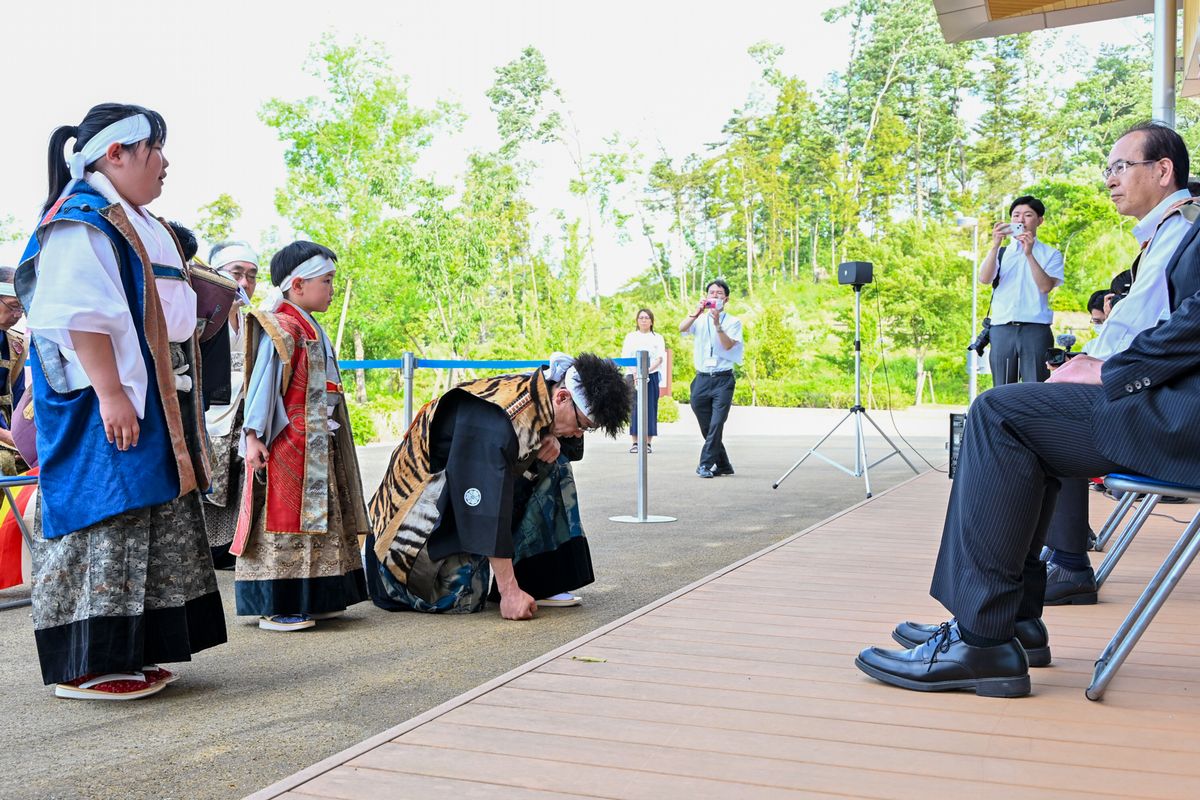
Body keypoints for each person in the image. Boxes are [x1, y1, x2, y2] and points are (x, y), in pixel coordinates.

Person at [859, 121, 1200, 697]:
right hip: (1163, 404)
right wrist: (1089, 362)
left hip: (1176, 418)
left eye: (1121, 166)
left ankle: (984, 640)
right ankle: (1013, 623)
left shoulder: (1194, 227)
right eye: (1107, 169)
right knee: (1016, 415)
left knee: (998, 413)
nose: (1109, 179)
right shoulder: (1170, 232)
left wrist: (1108, 370)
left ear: (1162, 170)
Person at [17, 103, 226, 700]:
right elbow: (81, 315)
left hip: (147, 395)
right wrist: (111, 394)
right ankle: (88, 663)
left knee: (150, 514)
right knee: (107, 514)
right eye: (155, 150)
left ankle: (136, 650)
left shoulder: (130, 217)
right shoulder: (82, 217)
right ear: (116, 154)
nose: (165, 164)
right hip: (100, 401)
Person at [364, 353, 631, 619]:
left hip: (453, 501)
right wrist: (509, 591)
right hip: (403, 544)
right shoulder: (496, 421)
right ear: (562, 397)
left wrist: (549, 435)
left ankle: (539, 580)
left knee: (555, 465)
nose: (578, 433)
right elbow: (483, 506)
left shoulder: (538, 397)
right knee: (464, 596)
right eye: (582, 425)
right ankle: (380, 574)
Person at [232, 240, 370, 632]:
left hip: (316, 442)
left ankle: (318, 594)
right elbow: (263, 384)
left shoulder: (308, 324)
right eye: (326, 281)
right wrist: (254, 434)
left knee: (319, 520)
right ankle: (278, 603)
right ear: (297, 285)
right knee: (284, 520)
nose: (330, 289)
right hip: (287, 442)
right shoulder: (282, 326)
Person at [202, 241, 259, 569]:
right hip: (213, 414)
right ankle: (208, 549)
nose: (245, 282)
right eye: (237, 273)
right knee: (211, 481)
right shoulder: (204, 318)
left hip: (242, 411)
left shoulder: (251, 322)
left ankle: (231, 546)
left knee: (238, 480)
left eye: (252, 275)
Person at [976, 196, 1065, 385]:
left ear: (1040, 220)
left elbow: (1045, 287)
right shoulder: (1001, 252)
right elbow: (984, 279)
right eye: (1016, 215)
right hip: (1001, 329)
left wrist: (1029, 253)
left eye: (1027, 215)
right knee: (1002, 387)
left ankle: (1034, 416)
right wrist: (994, 245)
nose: (1021, 220)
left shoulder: (1051, 254)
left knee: (1036, 387)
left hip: (1035, 329)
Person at [680, 279, 744, 478]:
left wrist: (717, 325)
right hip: (701, 379)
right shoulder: (698, 320)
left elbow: (727, 346)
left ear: (726, 298)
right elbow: (682, 328)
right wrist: (696, 312)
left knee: (717, 423)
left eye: (719, 293)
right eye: (711, 293)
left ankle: (705, 465)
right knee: (707, 426)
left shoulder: (733, 322)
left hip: (723, 380)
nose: (715, 296)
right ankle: (724, 465)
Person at [621, 308, 665, 453]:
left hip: (651, 375)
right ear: (637, 320)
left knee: (650, 408)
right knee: (634, 408)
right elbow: (626, 357)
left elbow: (659, 358)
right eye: (641, 318)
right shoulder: (631, 337)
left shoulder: (657, 337)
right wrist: (636, 372)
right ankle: (635, 442)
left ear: (651, 321)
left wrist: (646, 371)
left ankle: (647, 443)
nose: (644, 320)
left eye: (647, 318)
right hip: (632, 375)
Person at [0, 267, 28, 474]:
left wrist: (22, 438)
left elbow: (18, 399)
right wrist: (7, 438)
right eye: (12, 307)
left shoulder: (17, 345)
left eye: (22, 308)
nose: (18, 315)